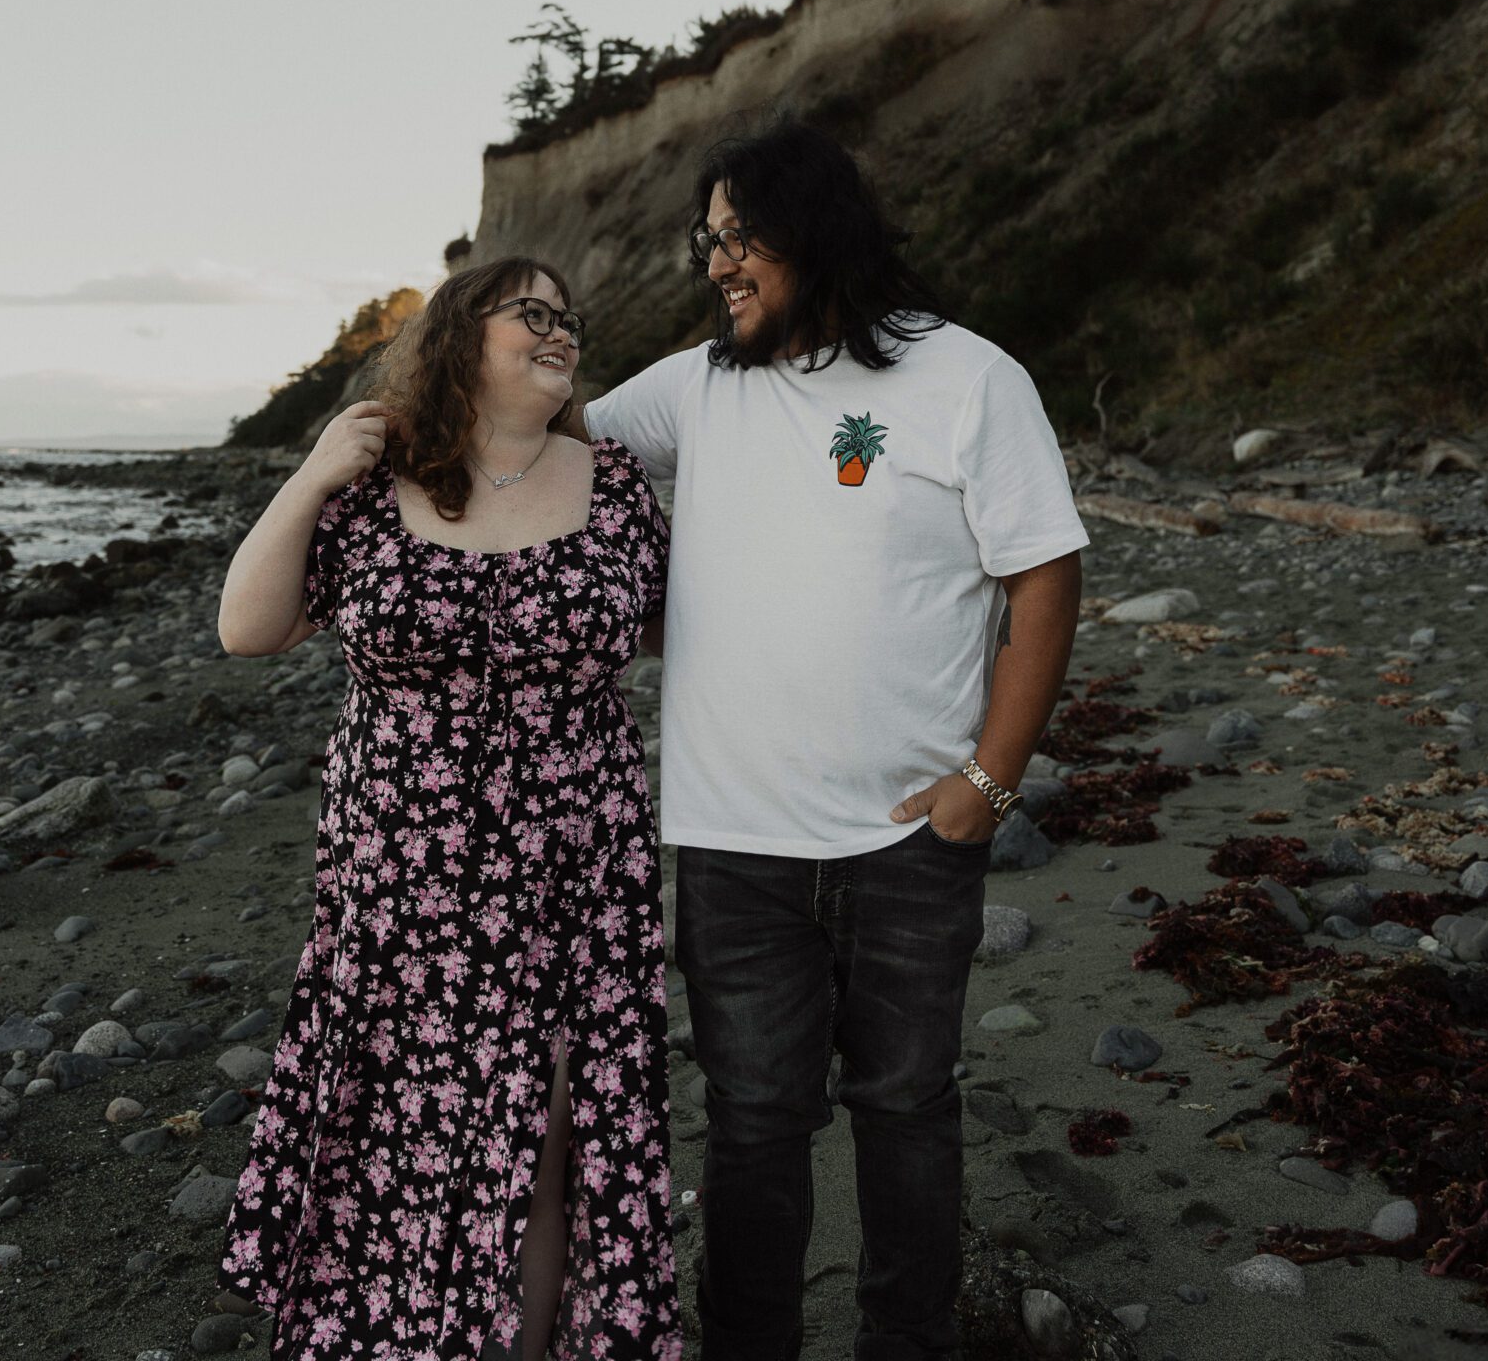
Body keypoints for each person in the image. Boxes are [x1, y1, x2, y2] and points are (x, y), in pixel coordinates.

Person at [585, 119, 1088, 1361]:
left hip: (908, 836)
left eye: (733, 235)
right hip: (731, 838)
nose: (713, 264)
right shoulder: (695, 386)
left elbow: (1043, 576)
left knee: (906, 1106)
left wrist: (989, 778)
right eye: (704, 241)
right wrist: (359, 447)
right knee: (752, 1122)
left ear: (811, 226)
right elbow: (541, 447)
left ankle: (902, 1343)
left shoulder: (966, 376)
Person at [215, 257, 680, 1361]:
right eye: (533, 313)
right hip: (398, 883)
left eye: (570, 318)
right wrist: (312, 471)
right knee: (392, 1143)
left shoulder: (613, 483)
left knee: (554, 1137)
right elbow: (249, 626)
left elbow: (690, 632)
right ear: (461, 335)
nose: (560, 332)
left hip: (574, 872)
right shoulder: (376, 483)